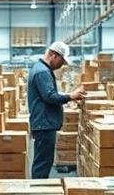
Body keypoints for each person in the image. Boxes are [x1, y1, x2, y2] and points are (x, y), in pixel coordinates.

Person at [28, 41, 85, 179]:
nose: (62, 66)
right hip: (44, 124)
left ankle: (39, 190)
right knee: (42, 164)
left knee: (44, 162)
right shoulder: (42, 71)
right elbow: (50, 96)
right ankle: (38, 194)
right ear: (54, 55)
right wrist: (71, 96)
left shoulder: (41, 69)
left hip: (44, 123)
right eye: (62, 61)